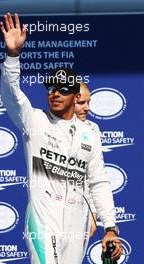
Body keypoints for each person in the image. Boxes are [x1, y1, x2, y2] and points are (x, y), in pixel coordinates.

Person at [0, 13, 122, 264]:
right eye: (50, 88)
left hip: (76, 226)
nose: (55, 93)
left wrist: (110, 227)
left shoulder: (90, 133)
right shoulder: (34, 120)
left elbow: (98, 181)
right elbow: (12, 96)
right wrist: (13, 56)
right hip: (43, 222)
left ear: (76, 96)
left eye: (63, 89)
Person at [75, 82, 100, 238]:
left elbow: (91, 176)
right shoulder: (45, 125)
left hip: (80, 211)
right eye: (81, 103)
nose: (87, 108)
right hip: (49, 213)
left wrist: (93, 211)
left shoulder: (92, 129)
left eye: (88, 102)